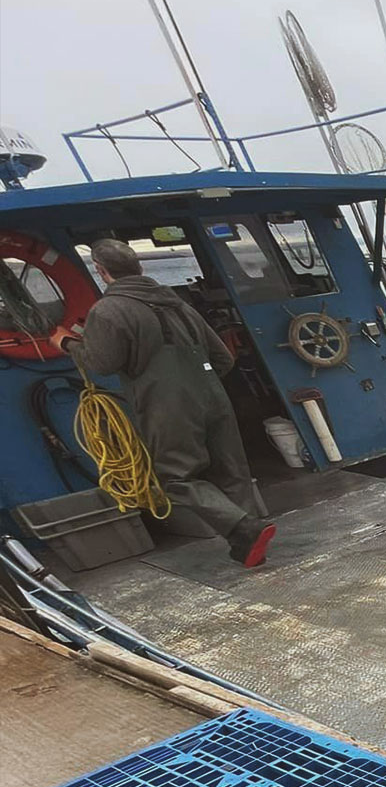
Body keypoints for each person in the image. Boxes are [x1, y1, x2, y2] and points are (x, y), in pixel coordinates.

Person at [49, 238, 276, 567]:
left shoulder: (108, 310)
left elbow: (102, 363)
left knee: (175, 478)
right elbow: (223, 359)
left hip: (166, 404)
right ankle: (249, 541)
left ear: (100, 272)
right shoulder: (178, 304)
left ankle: (246, 528)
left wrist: (67, 342)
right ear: (139, 267)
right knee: (232, 471)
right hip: (213, 395)